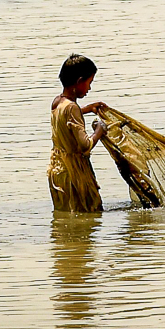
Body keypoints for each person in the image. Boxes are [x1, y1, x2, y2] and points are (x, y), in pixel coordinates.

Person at [48, 54, 108, 212]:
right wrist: (99, 131)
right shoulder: (72, 108)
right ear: (79, 81)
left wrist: (87, 109)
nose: (89, 88)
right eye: (89, 83)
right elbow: (84, 145)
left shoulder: (57, 102)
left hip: (58, 172)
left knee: (67, 214)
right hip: (74, 172)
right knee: (89, 212)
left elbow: (64, 118)